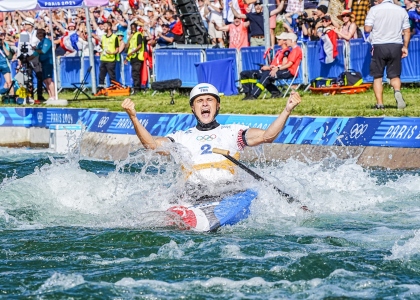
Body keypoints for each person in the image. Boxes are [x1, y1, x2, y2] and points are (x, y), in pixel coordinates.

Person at [121, 83, 301, 187]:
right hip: (193, 192)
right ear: (193, 108)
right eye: (200, 101)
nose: (205, 104)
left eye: (209, 100)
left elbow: (267, 136)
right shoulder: (181, 137)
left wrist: (286, 110)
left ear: (217, 106)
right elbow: (151, 145)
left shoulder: (233, 132)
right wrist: (134, 118)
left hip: (227, 190)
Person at [364, 0, 411, 109]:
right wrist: (405, 47)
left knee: (378, 76)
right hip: (396, 45)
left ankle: (380, 104)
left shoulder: (374, 9)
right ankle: (397, 91)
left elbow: (367, 29)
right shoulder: (401, 10)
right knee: (394, 75)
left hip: (379, 45)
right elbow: (407, 31)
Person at [245, 33, 302, 100]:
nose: (286, 41)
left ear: (292, 40)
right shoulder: (293, 50)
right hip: (286, 70)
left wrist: (277, 68)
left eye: (287, 40)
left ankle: (254, 95)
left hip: (290, 72)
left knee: (267, 76)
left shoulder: (296, 50)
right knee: (266, 75)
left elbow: (289, 64)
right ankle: (275, 93)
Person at [29, 29, 55, 101]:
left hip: (48, 62)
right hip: (43, 63)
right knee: (45, 80)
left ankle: (53, 96)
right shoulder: (40, 43)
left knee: (49, 79)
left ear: (43, 34)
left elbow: (43, 51)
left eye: (40, 33)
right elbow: (35, 54)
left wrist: (35, 49)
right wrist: (27, 59)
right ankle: (50, 96)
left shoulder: (46, 41)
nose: (39, 35)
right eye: (37, 33)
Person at [125, 22, 145, 94]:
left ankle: (137, 89)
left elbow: (139, 46)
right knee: (133, 73)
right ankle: (135, 88)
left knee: (136, 73)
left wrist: (132, 52)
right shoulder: (132, 36)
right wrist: (129, 39)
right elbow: (127, 47)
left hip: (138, 56)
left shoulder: (138, 34)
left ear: (136, 28)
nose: (132, 29)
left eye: (134, 27)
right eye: (131, 28)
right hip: (132, 57)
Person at [99, 21, 119, 88]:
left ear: (109, 27)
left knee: (111, 75)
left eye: (104, 26)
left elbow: (117, 49)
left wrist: (112, 53)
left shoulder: (114, 37)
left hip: (111, 59)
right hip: (103, 58)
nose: (103, 28)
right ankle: (101, 88)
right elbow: (102, 46)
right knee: (101, 75)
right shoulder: (103, 37)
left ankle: (113, 87)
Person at [0, 31, 13, 96]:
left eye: (2, 36)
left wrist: (2, 45)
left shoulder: (5, 44)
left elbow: (9, 55)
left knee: (9, 82)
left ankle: (12, 96)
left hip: (4, 63)